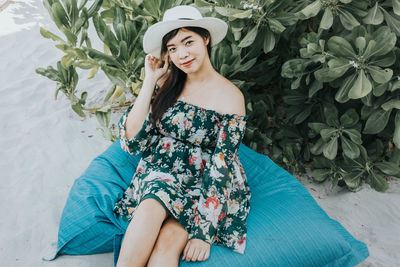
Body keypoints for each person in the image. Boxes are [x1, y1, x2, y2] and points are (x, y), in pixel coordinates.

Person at [113, 5, 251, 267]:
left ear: (205, 38)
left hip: (204, 182)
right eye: (173, 48)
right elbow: (132, 141)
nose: (182, 54)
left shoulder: (231, 97)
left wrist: (203, 233)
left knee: (167, 245)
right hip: (161, 173)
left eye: (188, 42)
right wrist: (150, 81)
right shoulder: (169, 84)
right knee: (153, 201)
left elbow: (221, 164)